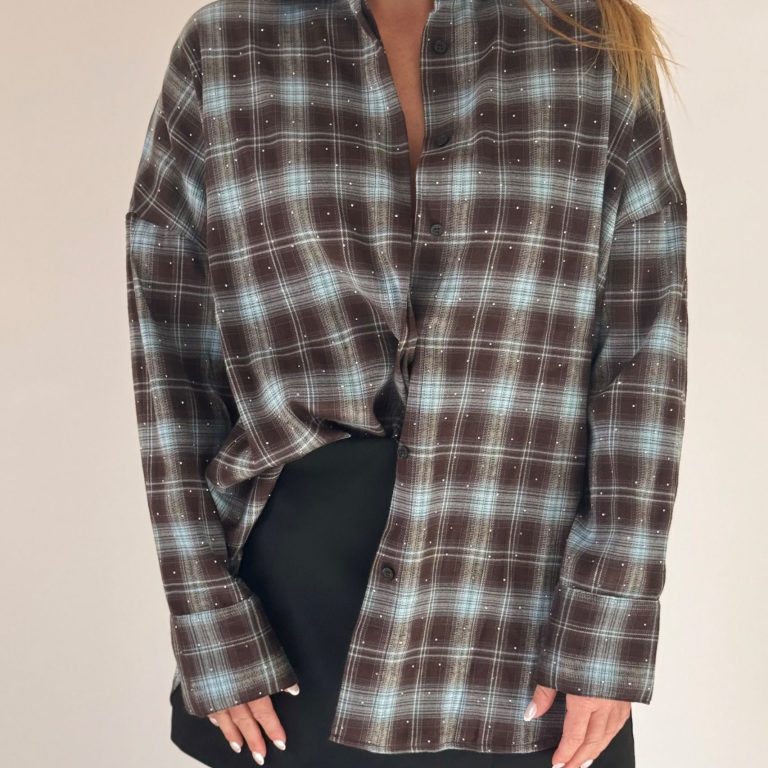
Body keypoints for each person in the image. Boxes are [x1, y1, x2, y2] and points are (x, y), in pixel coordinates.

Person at [124, 0, 688, 766]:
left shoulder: (590, 44)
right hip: (288, 617)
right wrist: (206, 613)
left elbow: (643, 364)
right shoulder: (227, 43)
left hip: (520, 610)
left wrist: (609, 620)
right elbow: (172, 356)